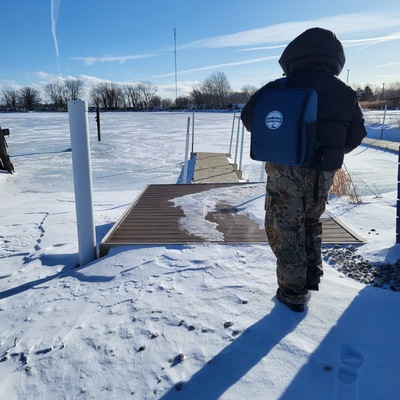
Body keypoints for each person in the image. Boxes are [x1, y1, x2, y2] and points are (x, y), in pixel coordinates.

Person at [241, 27, 367, 312]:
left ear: (295, 55)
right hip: (323, 173)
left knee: (285, 228)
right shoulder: (345, 93)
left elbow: (249, 118)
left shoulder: (278, 88)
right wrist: (329, 151)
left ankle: (293, 294)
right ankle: (310, 278)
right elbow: (355, 136)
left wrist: (279, 138)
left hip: (285, 171)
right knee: (311, 222)